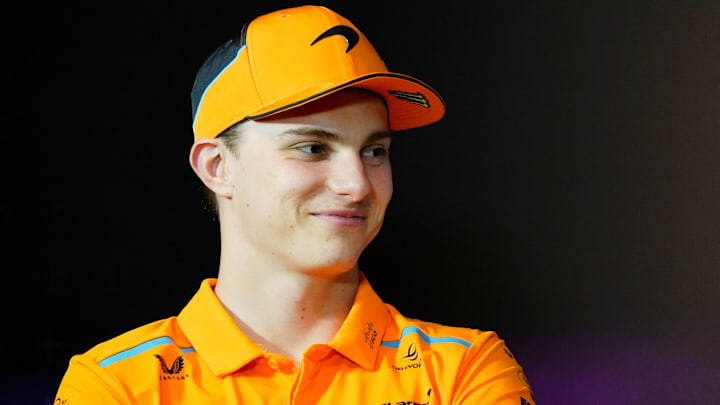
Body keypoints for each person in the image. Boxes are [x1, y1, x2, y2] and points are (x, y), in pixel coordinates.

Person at [55, 5, 535, 404]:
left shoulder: (464, 370)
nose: (357, 184)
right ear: (217, 167)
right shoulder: (113, 385)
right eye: (313, 147)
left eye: (374, 151)